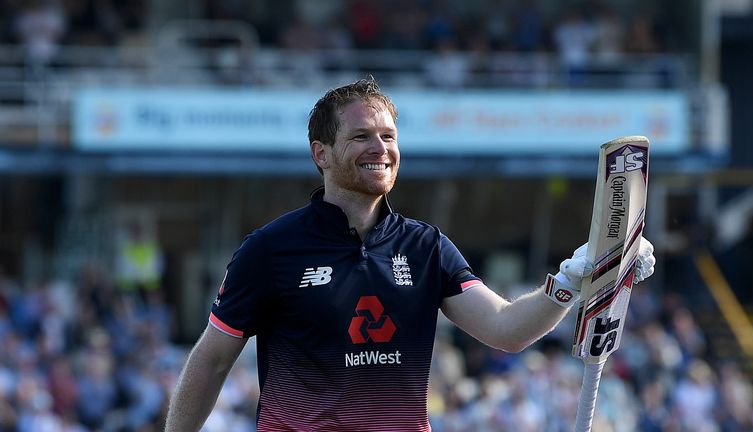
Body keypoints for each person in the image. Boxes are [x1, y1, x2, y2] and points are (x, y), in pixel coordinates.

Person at [164, 78, 656, 431]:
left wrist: (574, 277)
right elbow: (210, 362)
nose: (380, 147)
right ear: (321, 154)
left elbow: (506, 330)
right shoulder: (270, 250)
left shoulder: (425, 246)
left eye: (388, 136)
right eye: (360, 136)